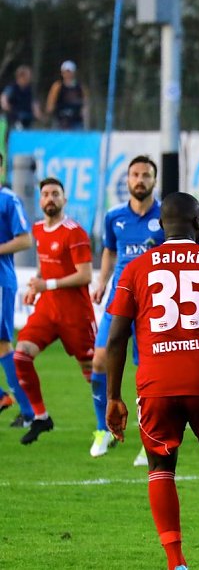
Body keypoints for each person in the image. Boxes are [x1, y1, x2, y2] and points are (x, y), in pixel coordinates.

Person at [106, 192, 199, 570]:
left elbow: (116, 339)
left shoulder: (135, 269)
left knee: (160, 468)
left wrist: (113, 397)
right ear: (198, 225)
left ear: (161, 226)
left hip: (156, 385)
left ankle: (176, 563)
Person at [91, 155, 165, 461]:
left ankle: (151, 438)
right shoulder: (114, 217)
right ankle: (103, 430)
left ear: (154, 180)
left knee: (149, 372)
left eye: (146, 175)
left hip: (152, 303)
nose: (140, 180)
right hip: (119, 300)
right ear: (127, 180)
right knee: (99, 361)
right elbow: (109, 251)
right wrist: (101, 282)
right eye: (135, 174)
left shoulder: (165, 216)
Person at [14, 177, 97, 446]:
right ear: (40, 200)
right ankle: (41, 416)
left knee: (93, 372)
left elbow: (85, 275)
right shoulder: (38, 228)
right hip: (48, 309)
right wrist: (36, 286)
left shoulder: (75, 232)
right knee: (21, 355)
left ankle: (108, 422)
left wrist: (46, 284)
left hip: (76, 314)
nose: (50, 198)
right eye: (46, 194)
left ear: (64, 199)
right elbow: (44, 266)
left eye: (55, 194)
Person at [0, 153, 34, 427]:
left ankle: (27, 410)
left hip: (1, 281)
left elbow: (25, 240)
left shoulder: (9, 200)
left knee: (2, 344)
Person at [45, 60, 88, 130]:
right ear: (62, 73)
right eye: (66, 72)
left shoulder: (80, 87)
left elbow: (85, 104)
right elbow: (50, 104)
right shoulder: (57, 86)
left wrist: (85, 118)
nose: (68, 74)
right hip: (60, 120)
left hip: (76, 121)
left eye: (69, 72)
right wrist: (49, 115)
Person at [1, 65, 43, 129]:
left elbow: (35, 103)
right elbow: (4, 98)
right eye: (28, 76)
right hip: (13, 117)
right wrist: (5, 105)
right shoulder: (12, 87)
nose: (30, 78)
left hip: (27, 117)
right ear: (21, 76)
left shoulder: (30, 90)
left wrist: (38, 114)